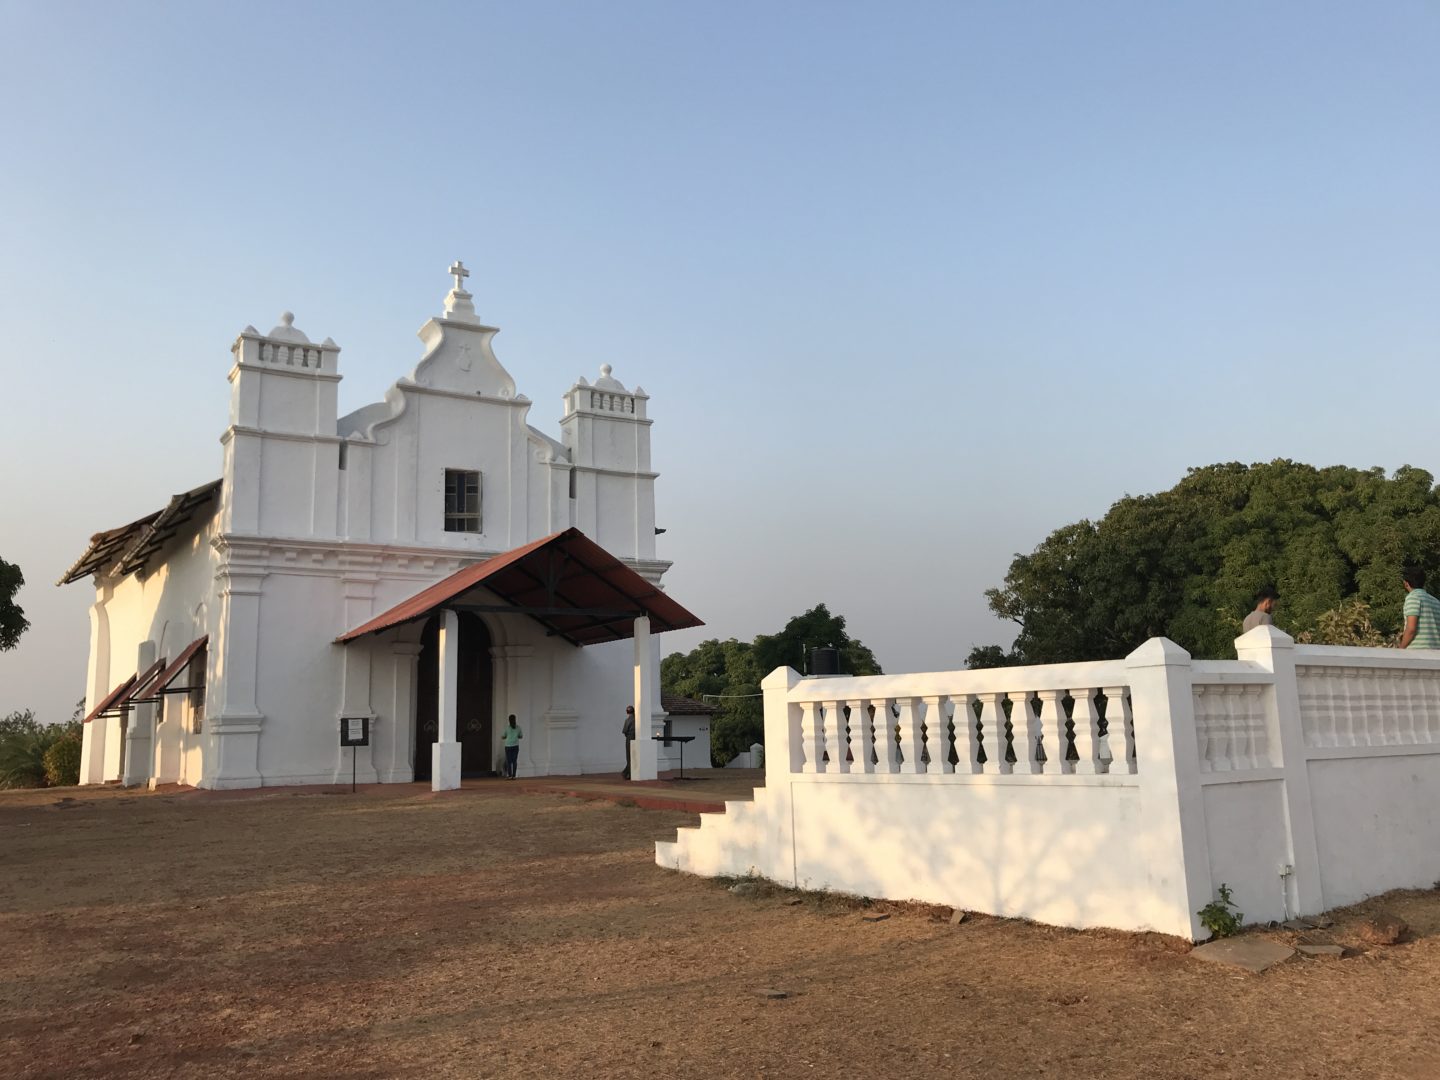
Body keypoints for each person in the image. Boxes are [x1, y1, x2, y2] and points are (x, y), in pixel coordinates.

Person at [1399, 567, 1440, 649]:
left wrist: (1401, 648)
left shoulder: (1413, 598)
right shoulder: (1436, 601)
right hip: (1436, 652)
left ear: (1406, 583)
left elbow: (1411, 629)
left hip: (1417, 653)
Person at [502, 714, 523, 779]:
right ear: (515, 720)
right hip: (515, 746)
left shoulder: (507, 728)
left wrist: (505, 737)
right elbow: (521, 736)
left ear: (509, 720)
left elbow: (503, 736)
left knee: (509, 761)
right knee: (514, 761)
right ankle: (514, 776)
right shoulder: (518, 727)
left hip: (508, 746)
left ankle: (509, 775)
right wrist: (516, 736)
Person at [621, 705, 636, 780]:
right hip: (636, 738)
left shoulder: (627, 720)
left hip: (629, 738)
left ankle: (627, 773)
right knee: (633, 757)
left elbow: (624, 731)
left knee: (629, 757)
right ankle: (626, 772)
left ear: (627, 712)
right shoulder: (637, 719)